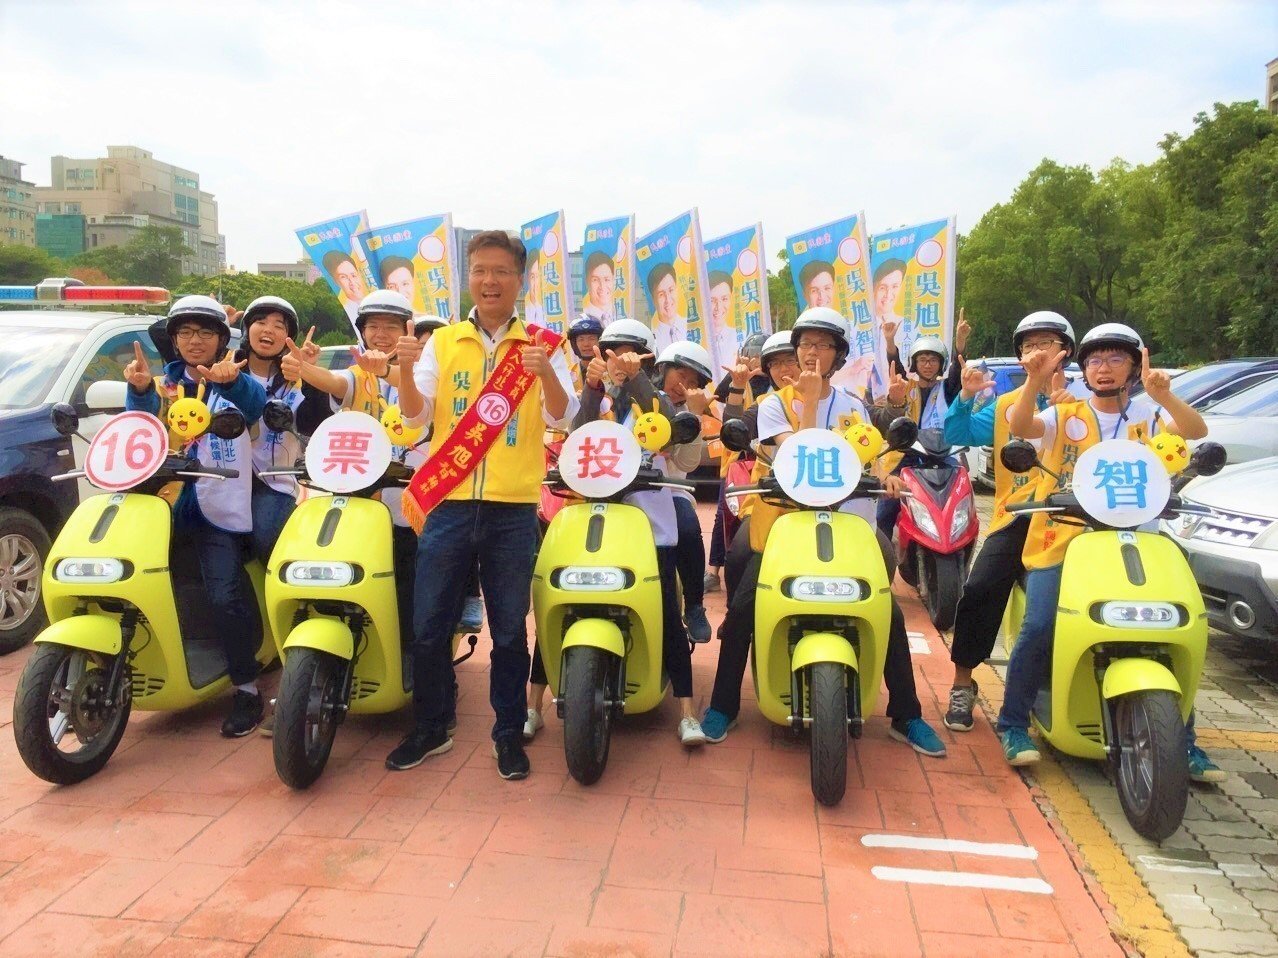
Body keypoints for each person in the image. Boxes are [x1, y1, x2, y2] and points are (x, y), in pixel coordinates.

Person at [700, 307, 946, 758]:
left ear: (838, 355)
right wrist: (808, 402)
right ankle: (723, 705)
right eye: (805, 345)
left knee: (887, 611)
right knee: (742, 607)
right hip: (786, 523)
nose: (811, 353)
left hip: (847, 521)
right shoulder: (773, 405)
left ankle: (906, 715)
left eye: (822, 345)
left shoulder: (852, 405)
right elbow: (797, 460)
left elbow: (867, 452)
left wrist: (884, 474)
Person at [998, 323, 1222, 784]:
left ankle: (1185, 740)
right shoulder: (1067, 415)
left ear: (1134, 365)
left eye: (1115, 358)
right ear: (1084, 367)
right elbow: (1021, 427)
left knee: (1171, 623)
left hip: (1138, 537)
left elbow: (1195, 431)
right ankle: (1013, 723)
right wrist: (1036, 381)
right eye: (1095, 360)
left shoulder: (1149, 415)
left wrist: (1165, 396)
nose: (1104, 368)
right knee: (1040, 624)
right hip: (1064, 537)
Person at [394, 230, 578, 780]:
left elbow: (560, 417)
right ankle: (433, 726)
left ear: (520, 279)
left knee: (507, 631)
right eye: (479, 270)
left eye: (500, 271)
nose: (489, 280)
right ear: (468, 277)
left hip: (512, 511)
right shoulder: (444, 341)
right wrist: (403, 368)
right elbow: (414, 418)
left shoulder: (544, 345)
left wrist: (544, 373)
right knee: (428, 626)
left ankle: (507, 734)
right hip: (448, 505)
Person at [122, 295, 268, 736]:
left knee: (224, 594)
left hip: (215, 507)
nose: (195, 340)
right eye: (185, 332)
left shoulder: (231, 379)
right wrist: (140, 391)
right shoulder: (162, 383)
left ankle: (247, 688)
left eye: (205, 332)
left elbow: (257, 409)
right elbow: (140, 431)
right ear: (174, 340)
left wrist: (233, 383)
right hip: (160, 504)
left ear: (223, 339)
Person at [940, 311, 1077, 732]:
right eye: (1028, 345)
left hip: (1071, 520)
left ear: (1066, 353)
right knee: (980, 587)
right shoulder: (1004, 407)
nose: (1036, 352)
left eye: (1046, 344)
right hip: (1016, 518)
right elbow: (956, 433)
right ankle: (963, 683)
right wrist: (963, 398)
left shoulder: (1086, 404)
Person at [575, 323, 706, 744]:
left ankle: (686, 710)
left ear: (647, 360)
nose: (619, 361)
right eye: (612, 353)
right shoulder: (599, 398)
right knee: (568, 596)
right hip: (595, 518)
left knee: (667, 611)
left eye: (630, 355)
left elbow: (669, 433)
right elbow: (577, 436)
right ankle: (532, 703)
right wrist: (593, 388)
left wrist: (636, 381)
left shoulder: (659, 401)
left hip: (652, 526)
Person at [872, 312, 969, 539]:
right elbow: (895, 368)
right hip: (907, 453)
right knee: (886, 508)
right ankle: (882, 549)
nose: (927, 364)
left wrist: (960, 343)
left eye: (933, 360)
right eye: (922, 359)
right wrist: (889, 342)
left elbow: (957, 370)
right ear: (914, 363)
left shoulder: (947, 388)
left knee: (961, 491)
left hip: (940, 453)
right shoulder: (907, 386)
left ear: (941, 363)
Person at [653, 341, 714, 644]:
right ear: (662, 371)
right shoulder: (641, 400)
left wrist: (695, 417)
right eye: (680, 376)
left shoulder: (691, 413)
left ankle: (694, 605)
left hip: (670, 491)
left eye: (693, 383)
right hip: (624, 489)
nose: (683, 386)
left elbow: (686, 463)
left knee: (689, 529)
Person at [704, 332, 769, 593]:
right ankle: (713, 571)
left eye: (762, 357)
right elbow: (721, 398)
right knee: (725, 510)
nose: (757, 361)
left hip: (767, 459)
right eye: (752, 355)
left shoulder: (783, 387)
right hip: (737, 458)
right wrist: (737, 376)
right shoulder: (741, 378)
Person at [647, 263, 687, 354]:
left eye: (671, 290)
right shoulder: (651, 341)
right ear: (653, 299)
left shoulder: (694, 328)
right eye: (661, 294)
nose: (668, 300)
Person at [706, 270, 741, 372]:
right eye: (712, 300)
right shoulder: (696, 342)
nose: (718, 307)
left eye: (724, 299)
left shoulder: (742, 338)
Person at [323, 250, 367, 319]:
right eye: (343, 277)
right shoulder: (343, 314)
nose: (352, 282)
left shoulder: (378, 300)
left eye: (353, 275)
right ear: (336, 281)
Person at [582, 251, 616, 323]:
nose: (602, 286)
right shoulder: (582, 320)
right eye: (595, 280)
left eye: (607, 279)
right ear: (587, 282)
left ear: (613, 280)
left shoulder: (622, 316)